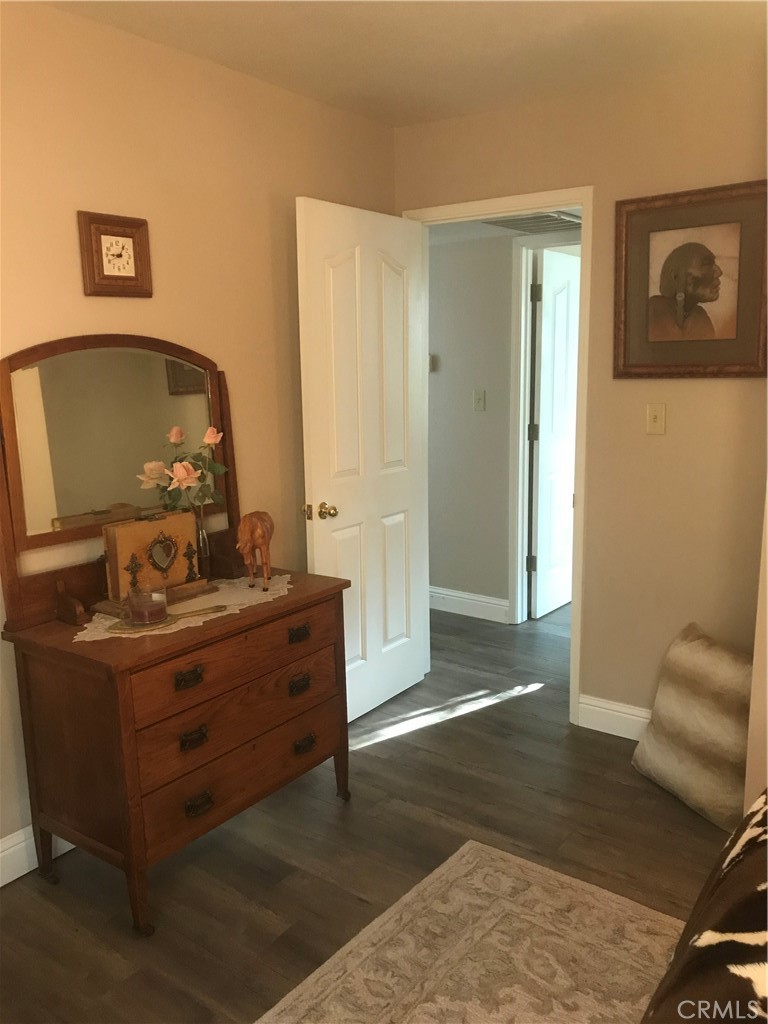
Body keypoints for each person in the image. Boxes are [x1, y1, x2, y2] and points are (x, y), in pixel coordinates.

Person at [647, 242, 723, 342]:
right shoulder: (654, 310)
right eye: (706, 264)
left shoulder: (700, 317)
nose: (719, 272)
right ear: (676, 277)